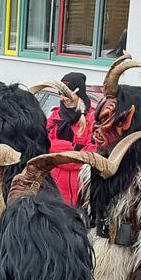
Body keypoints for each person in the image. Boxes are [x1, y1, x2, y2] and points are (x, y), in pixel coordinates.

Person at [46, 71, 96, 205]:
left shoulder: (93, 119)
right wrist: (74, 149)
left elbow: (90, 155)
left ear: (78, 93)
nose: (63, 98)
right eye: (60, 94)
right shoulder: (55, 116)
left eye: (67, 94)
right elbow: (45, 144)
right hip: (53, 190)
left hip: (82, 194)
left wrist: (57, 155)